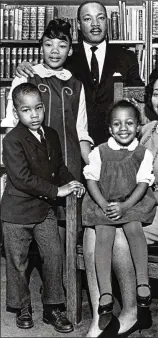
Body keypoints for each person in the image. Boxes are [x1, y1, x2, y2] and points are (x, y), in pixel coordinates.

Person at [82, 64, 158, 337]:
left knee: (119, 233)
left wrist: (129, 202)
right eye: (157, 93)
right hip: (136, 203)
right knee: (92, 228)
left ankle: (131, 311)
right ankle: (98, 316)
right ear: (149, 98)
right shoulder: (144, 129)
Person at [1, 18, 93, 285]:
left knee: (62, 224)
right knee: (31, 222)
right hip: (34, 165)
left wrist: (94, 167)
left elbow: (82, 130)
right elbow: (12, 124)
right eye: (48, 44)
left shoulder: (75, 85)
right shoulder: (26, 76)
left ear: (70, 50)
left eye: (62, 45)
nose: (55, 50)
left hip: (67, 162)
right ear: (40, 46)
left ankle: (59, 285)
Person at [1, 82, 85, 333]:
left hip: (44, 209)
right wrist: (57, 191)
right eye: (26, 110)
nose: (34, 114)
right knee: (18, 262)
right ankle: (22, 307)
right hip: (16, 213)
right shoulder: (12, 140)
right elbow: (22, 178)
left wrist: (70, 181)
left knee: (53, 256)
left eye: (38, 108)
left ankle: (52, 308)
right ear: (16, 113)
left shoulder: (51, 134)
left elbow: (57, 167)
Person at [13, 1, 144, 145]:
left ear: (107, 21)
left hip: (116, 141)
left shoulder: (127, 57)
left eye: (100, 18)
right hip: (74, 142)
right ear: (79, 25)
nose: (95, 24)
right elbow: (46, 70)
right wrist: (25, 67)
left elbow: (139, 95)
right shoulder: (66, 56)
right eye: (88, 19)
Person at [82, 99, 156, 336]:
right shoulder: (99, 152)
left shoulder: (144, 154)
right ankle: (105, 294)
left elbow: (143, 183)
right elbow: (91, 180)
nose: (123, 128)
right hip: (104, 202)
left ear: (138, 127)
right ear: (110, 128)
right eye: (117, 124)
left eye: (129, 123)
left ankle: (143, 284)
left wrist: (125, 206)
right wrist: (104, 205)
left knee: (134, 229)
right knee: (103, 234)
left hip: (130, 202)